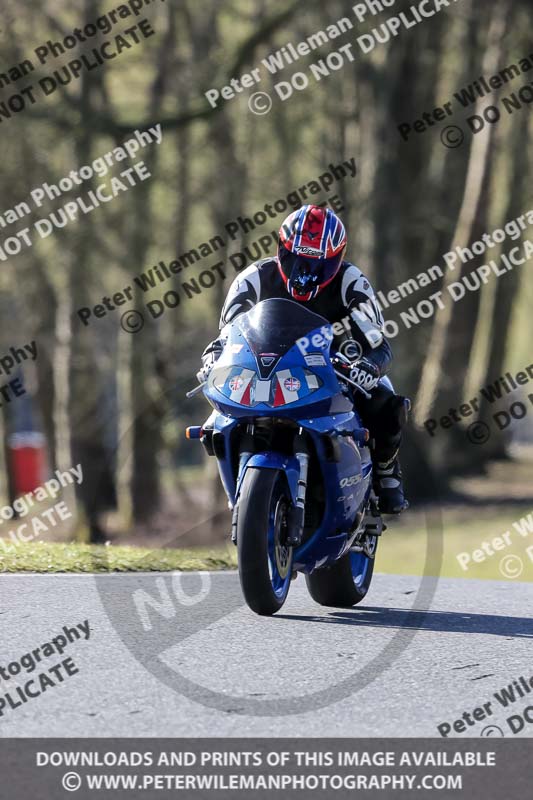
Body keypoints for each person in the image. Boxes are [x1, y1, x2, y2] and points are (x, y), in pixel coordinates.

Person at [199, 204, 409, 514]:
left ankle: (387, 470)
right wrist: (211, 359)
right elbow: (225, 337)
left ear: (336, 260)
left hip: (330, 371)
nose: (304, 275)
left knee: (386, 399)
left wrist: (369, 365)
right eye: (296, 261)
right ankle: (239, 486)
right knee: (214, 422)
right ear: (281, 250)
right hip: (262, 369)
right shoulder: (253, 279)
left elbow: (379, 344)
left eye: (318, 266)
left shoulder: (351, 282)